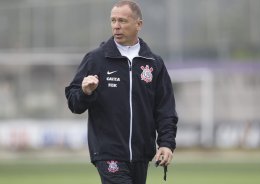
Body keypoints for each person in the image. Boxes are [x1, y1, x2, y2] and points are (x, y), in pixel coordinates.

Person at [65, 1, 178, 183]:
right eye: (113, 20)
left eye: (122, 21)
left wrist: (166, 144)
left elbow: (165, 110)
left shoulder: (153, 63)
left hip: (141, 154)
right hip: (109, 153)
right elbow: (74, 103)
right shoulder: (96, 59)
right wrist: (85, 92)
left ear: (138, 24)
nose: (116, 26)